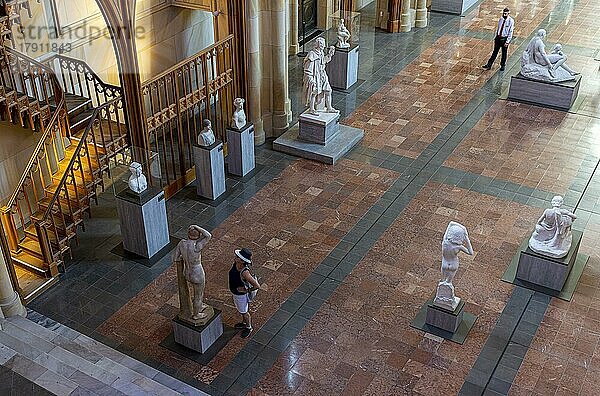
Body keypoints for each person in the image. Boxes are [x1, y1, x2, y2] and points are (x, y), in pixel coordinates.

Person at [173, 225, 212, 323]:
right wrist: (197, 227)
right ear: (198, 236)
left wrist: (185, 258)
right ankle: (196, 314)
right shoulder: (197, 246)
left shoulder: (182, 243)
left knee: (197, 294)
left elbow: (176, 258)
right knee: (198, 294)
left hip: (187, 273)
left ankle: (199, 305)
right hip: (197, 274)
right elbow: (208, 235)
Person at [228, 248, 261, 338]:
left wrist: (246, 291)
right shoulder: (236, 264)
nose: (236, 257)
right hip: (235, 292)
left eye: (238, 257)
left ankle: (248, 327)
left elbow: (257, 286)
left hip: (240, 296)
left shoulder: (245, 272)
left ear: (242, 261)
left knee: (244, 312)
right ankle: (244, 322)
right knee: (242, 310)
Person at [302, 37, 338, 115]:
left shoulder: (321, 53)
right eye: (321, 44)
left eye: (323, 44)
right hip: (316, 76)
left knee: (328, 90)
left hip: (322, 75)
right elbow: (307, 69)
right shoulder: (312, 54)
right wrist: (311, 79)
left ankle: (329, 108)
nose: (323, 46)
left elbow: (323, 61)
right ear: (318, 44)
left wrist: (330, 54)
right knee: (314, 92)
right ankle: (312, 109)